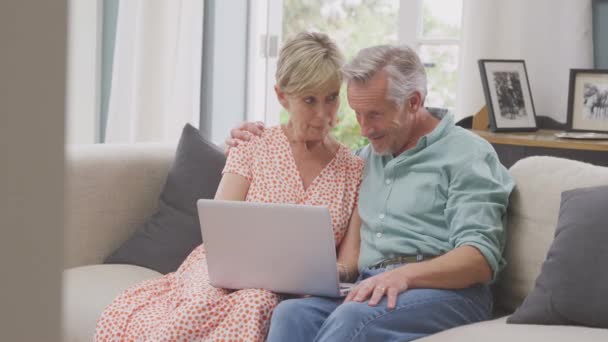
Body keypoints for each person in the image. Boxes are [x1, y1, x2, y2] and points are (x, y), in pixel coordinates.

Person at [227, 44, 515, 341]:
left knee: (355, 319)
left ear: (413, 102)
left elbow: (479, 259)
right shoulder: (364, 159)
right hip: (368, 284)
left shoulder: (467, 155)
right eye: (357, 114)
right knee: (292, 314)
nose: (364, 129)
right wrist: (249, 138)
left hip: (446, 292)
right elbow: (312, 163)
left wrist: (403, 276)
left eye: (375, 115)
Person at [94, 32, 364, 342]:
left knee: (258, 302)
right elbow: (218, 234)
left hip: (300, 295)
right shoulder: (252, 145)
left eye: (331, 97)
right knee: (246, 301)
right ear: (281, 96)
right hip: (223, 278)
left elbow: (349, 261)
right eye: (309, 100)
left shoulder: (353, 169)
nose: (323, 115)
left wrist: (320, 276)